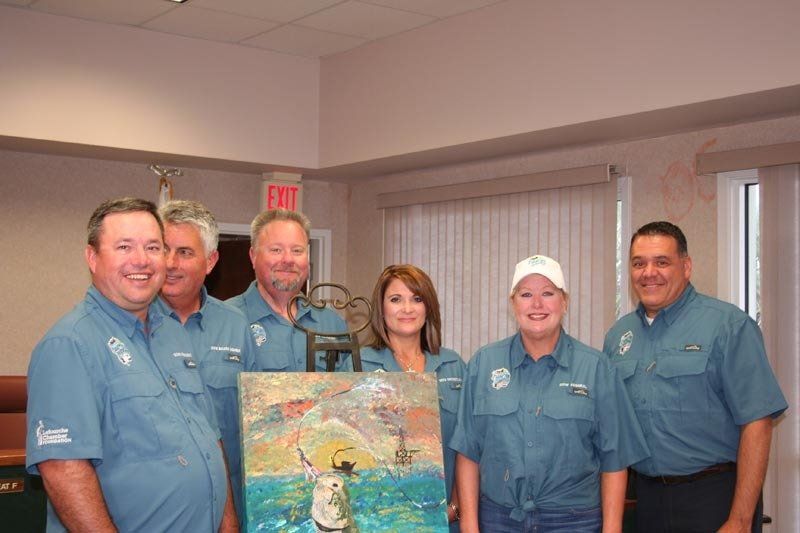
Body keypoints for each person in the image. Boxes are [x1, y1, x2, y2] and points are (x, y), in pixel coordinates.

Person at [26, 197, 237, 532]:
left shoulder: (171, 332)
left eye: (153, 247)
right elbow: (64, 471)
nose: (141, 260)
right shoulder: (70, 345)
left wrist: (229, 527)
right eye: (124, 246)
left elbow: (210, 440)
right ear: (92, 258)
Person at [603, 221, 787, 533]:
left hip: (714, 498)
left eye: (662, 262)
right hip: (645, 500)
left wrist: (740, 520)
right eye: (639, 263)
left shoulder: (728, 326)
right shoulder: (619, 336)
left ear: (686, 267)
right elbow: (611, 429)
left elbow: (757, 422)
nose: (649, 272)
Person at [451, 254, 649, 533]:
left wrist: (612, 529)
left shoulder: (597, 369)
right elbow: (468, 452)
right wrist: (469, 525)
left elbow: (614, 459)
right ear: (513, 303)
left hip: (573, 521)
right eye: (526, 294)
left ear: (564, 302)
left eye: (548, 293)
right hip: (499, 520)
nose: (537, 304)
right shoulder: (483, 365)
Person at [155, 199, 256, 522]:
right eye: (162, 249)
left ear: (210, 261)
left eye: (185, 252)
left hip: (223, 504)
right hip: (156, 505)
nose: (170, 263)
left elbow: (253, 423)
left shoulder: (236, 325)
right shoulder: (133, 324)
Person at [361, 264, 466, 531]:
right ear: (381, 309)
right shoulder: (357, 364)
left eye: (416, 299)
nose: (407, 308)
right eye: (396, 299)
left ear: (428, 307)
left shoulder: (453, 365)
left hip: (444, 520)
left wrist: (454, 508)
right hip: (379, 519)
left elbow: (470, 446)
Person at [228, 208, 350, 371]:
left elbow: (350, 391)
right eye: (276, 250)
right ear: (253, 256)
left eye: (297, 250)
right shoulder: (226, 320)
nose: (288, 259)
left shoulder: (332, 323)